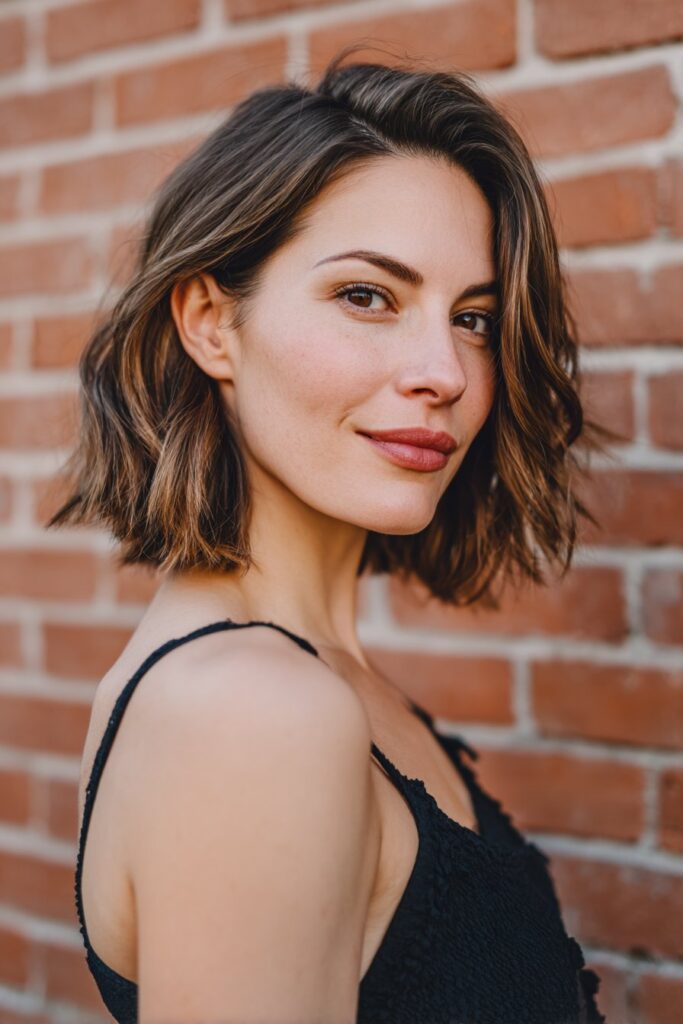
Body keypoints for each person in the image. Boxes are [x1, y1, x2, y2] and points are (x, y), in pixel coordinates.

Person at [47, 45, 614, 1024]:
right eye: (367, 295)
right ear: (211, 324)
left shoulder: (312, 679)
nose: (442, 368)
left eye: (472, 317)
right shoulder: (253, 712)